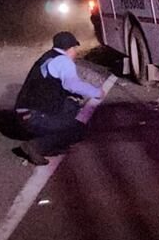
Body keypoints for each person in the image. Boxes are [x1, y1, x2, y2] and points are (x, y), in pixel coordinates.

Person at [14, 32, 103, 166]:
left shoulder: (47, 57)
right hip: (34, 116)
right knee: (79, 128)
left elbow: (53, 85)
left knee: (71, 104)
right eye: (74, 49)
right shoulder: (63, 61)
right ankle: (37, 146)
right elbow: (72, 84)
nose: (75, 53)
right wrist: (96, 92)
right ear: (69, 49)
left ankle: (52, 138)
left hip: (23, 112)